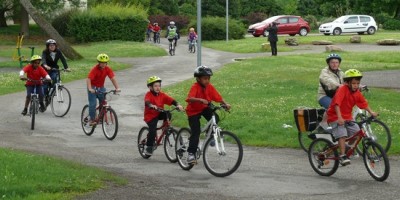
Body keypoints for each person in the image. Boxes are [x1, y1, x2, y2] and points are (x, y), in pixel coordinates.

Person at [326, 69, 377, 166]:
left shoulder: (356, 92)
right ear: (347, 82)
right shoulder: (342, 90)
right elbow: (336, 104)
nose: (356, 85)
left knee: (357, 132)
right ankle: (342, 155)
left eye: (358, 83)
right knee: (342, 134)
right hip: (335, 116)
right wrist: (340, 118)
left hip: (348, 117)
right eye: (354, 83)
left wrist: (371, 112)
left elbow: (363, 103)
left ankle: (347, 148)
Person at [185, 66, 231, 163]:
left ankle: (209, 136)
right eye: (205, 78)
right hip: (193, 111)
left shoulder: (209, 87)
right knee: (196, 132)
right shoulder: (195, 87)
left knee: (216, 118)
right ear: (198, 79)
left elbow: (217, 97)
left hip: (204, 108)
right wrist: (200, 100)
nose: (207, 80)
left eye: (208, 78)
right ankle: (191, 154)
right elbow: (189, 98)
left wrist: (225, 104)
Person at [143, 76, 184, 156]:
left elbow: (171, 100)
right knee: (152, 130)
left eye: (159, 85)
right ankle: (149, 146)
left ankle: (165, 129)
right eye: (155, 86)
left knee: (168, 113)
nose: (158, 88)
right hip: (150, 116)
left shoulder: (162, 95)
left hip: (159, 113)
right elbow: (147, 102)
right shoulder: (148, 95)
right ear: (150, 87)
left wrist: (178, 105)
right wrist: (151, 105)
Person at [86, 53, 121, 125]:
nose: (103, 64)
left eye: (105, 63)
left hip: (101, 87)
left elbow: (112, 78)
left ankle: (101, 118)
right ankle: (92, 120)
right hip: (92, 87)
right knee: (93, 103)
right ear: (98, 62)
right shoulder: (95, 69)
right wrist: (90, 88)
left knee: (103, 102)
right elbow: (89, 79)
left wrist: (117, 88)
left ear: (106, 63)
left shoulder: (107, 69)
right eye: (101, 63)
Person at [317, 53, 344, 131]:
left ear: (339, 63)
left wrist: (357, 85)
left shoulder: (341, 73)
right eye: (332, 62)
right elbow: (327, 80)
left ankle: (336, 124)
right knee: (333, 107)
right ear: (328, 63)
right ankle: (323, 122)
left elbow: (347, 81)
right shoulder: (324, 72)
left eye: (336, 62)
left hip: (336, 95)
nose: (334, 64)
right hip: (324, 95)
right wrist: (338, 85)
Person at [41, 39, 70, 105]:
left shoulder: (58, 51)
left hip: (54, 69)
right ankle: (45, 96)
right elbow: (43, 59)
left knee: (55, 80)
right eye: (50, 45)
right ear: (48, 46)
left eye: (53, 45)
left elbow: (63, 59)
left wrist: (66, 67)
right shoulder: (45, 52)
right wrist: (45, 65)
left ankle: (51, 93)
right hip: (46, 70)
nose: (52, 47)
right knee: (45, 85)